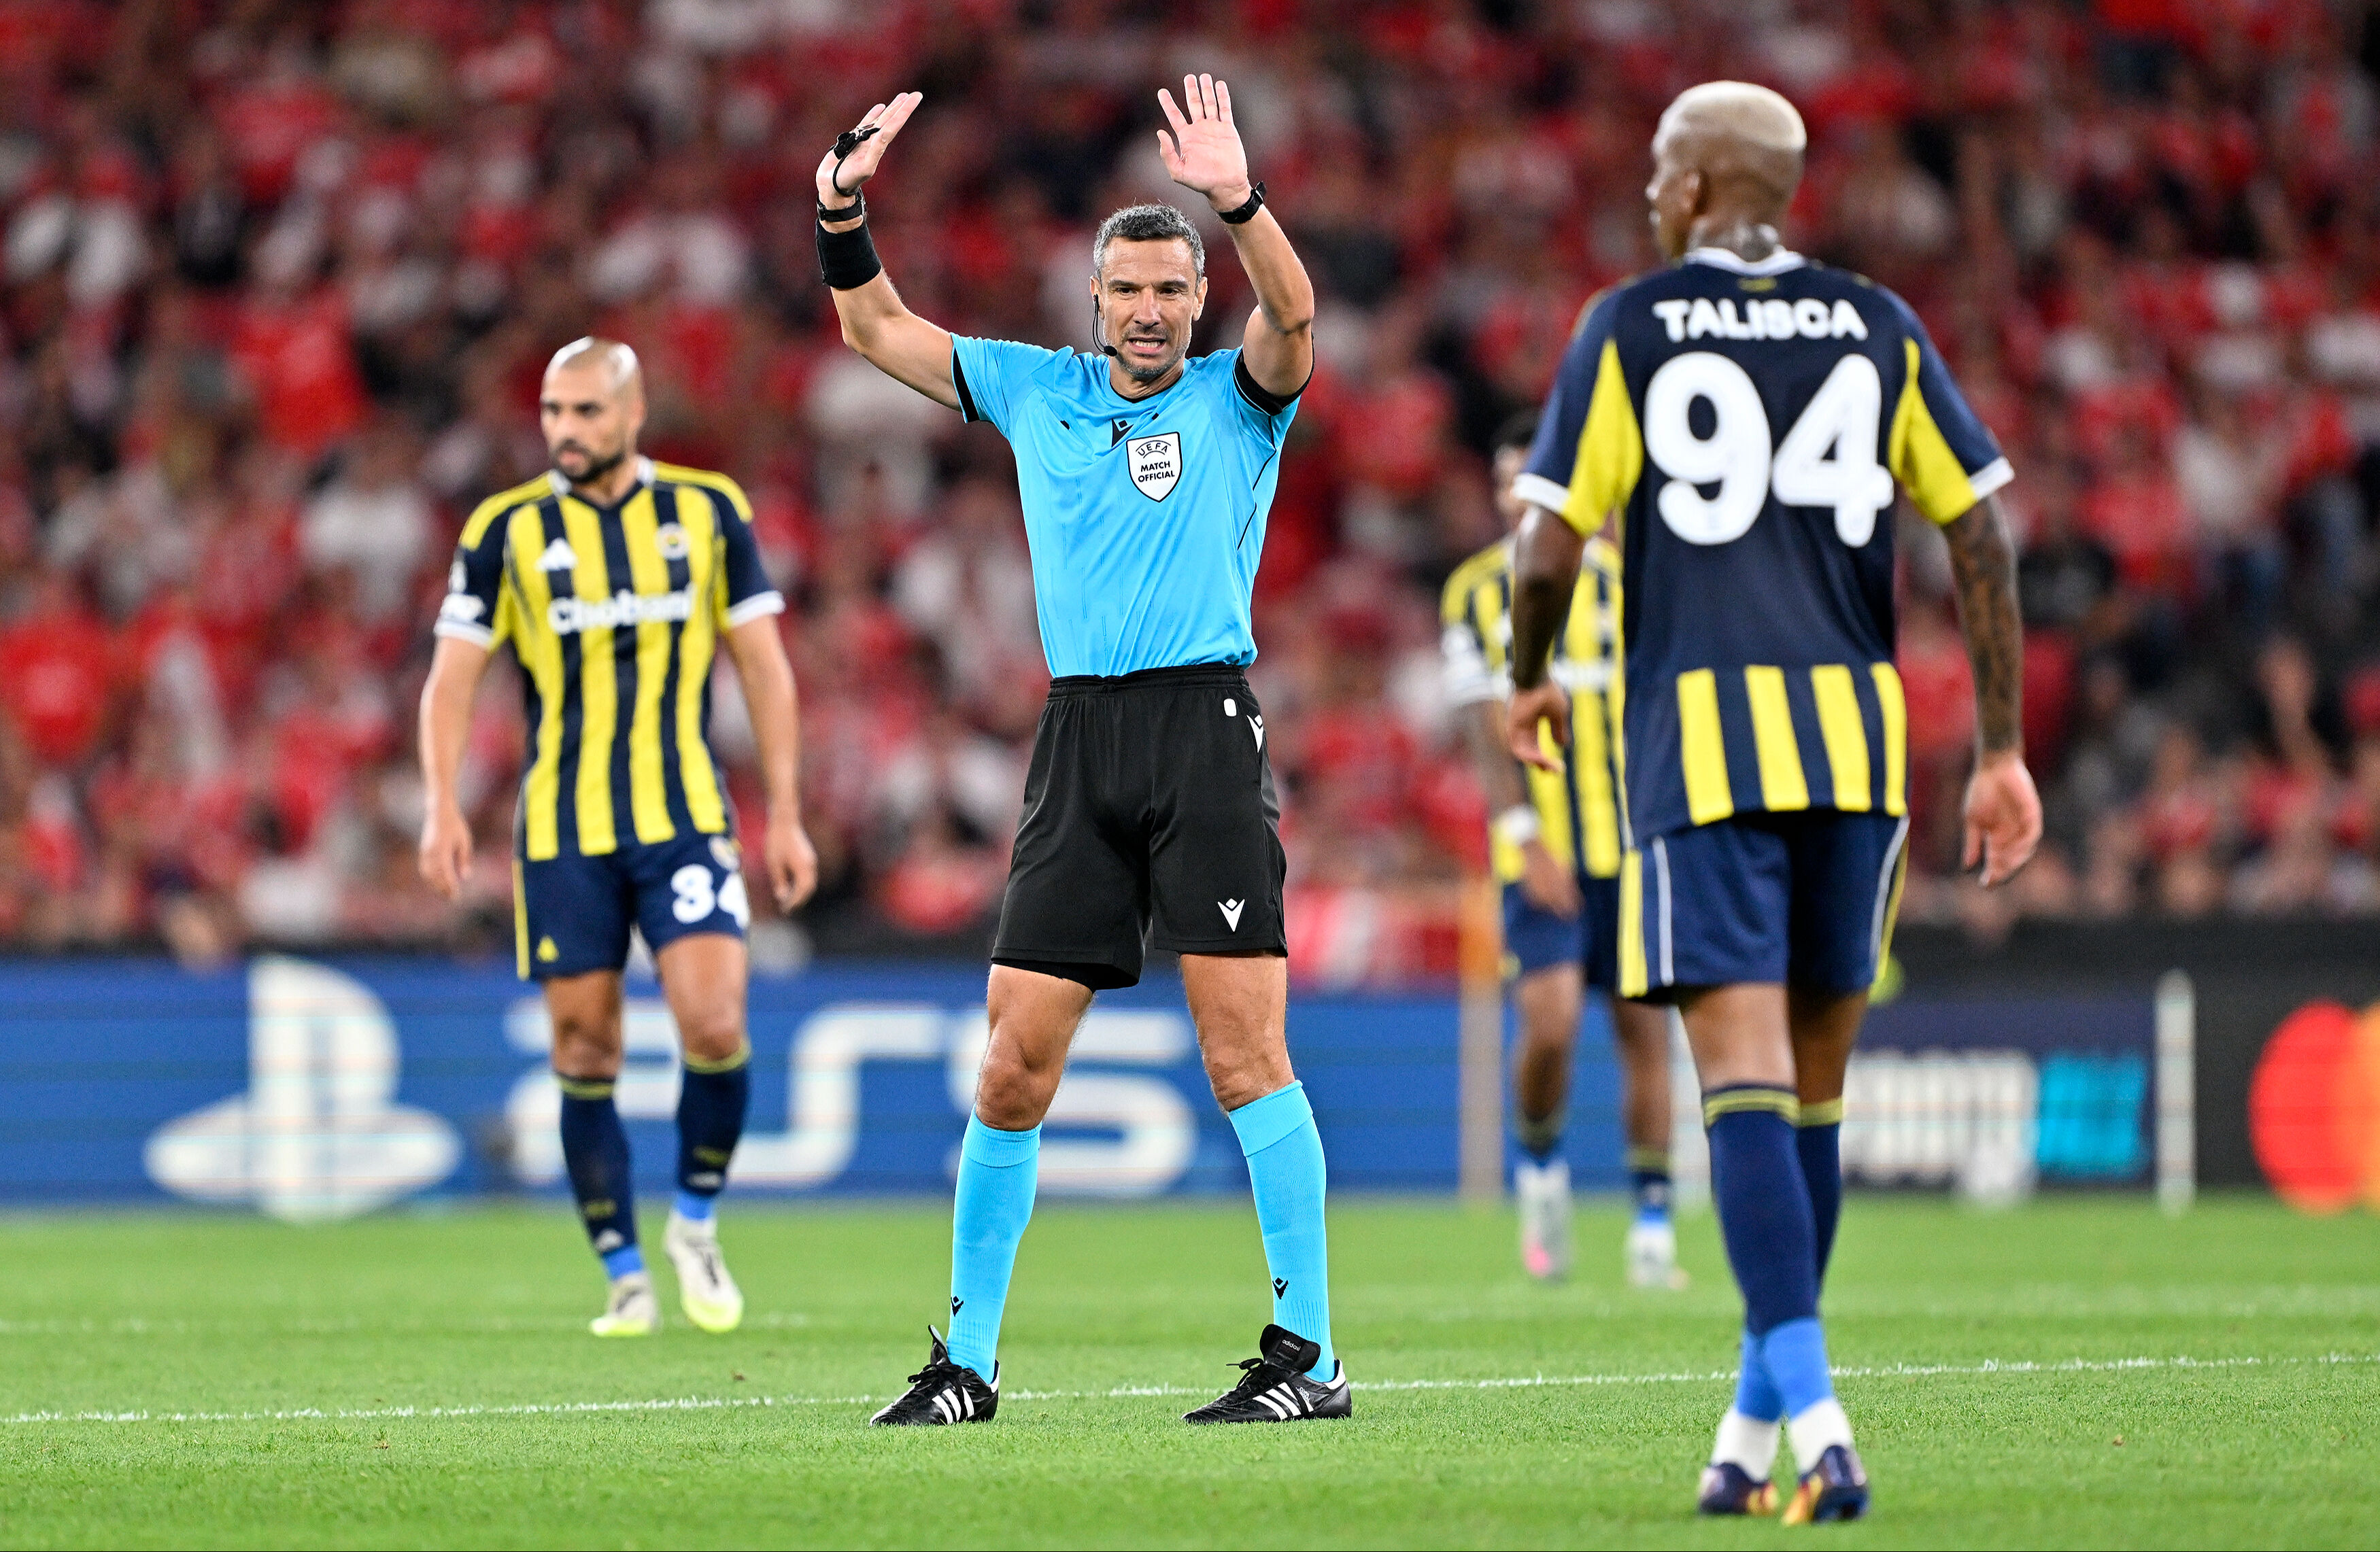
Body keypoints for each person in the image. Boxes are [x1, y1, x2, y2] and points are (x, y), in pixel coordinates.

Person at [1503, 84, 2041, 1523]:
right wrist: (1998, 746)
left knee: (1736, 1081)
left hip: (1700, 749)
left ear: (1694, 187)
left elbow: (1545, 543)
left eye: (1657, 173)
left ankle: (1818, 1416)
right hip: (1858, 748)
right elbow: (1977, 529)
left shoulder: (1629, 320)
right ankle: (1749, 1436)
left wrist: (1527, 677)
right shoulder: (1878, 321)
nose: (1645, 199)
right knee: (1813, 1095)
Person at [813, 78, 1342, 1426]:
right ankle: (967, 1362)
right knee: (1012, 1060)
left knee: (1243, 1053)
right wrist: (840, 205)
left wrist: (1239, 199)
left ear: (1195, 298)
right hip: (1078, 738)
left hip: (1202, 728)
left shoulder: (1244, 395)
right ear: (1094, 302)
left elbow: (1297, 315)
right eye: (1132, 292)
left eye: (1175, 289)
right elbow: (872, 323)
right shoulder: (1034, 388)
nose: (1155, 310)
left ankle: (1310, 1354)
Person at [417, 338, 819, 1339]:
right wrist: (440, 804)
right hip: (563, 828)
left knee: (715, 1023)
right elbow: (451, 680)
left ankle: (695, 1219)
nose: (565, 431)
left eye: (587, 412)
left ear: (634, 415)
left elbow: (765, 670)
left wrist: (791, 813)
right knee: (585, 1044)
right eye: (554, 412)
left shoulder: (709, 512)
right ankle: (624, 1270)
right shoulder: (503, 530)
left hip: (684, 817)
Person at [1440, 411, 1681, 1288]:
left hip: (1636, 848)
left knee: (1644, 1033)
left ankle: (1653, 1225)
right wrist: (1524, 835)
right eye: (1505, 478)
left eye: (1531, 475)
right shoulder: (1472, 592)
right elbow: (1478, 727)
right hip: (1539, 850)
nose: (1518, 494)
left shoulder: (1631, 583)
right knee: (1550, 1026)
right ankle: (1542, 1171)